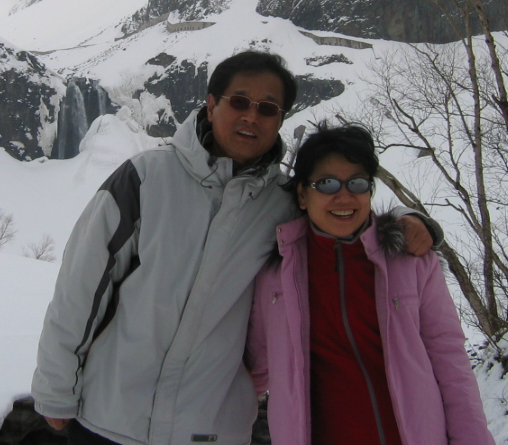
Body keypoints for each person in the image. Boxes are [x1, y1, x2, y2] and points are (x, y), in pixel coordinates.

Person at [32, 51, 439, 445]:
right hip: (108, 420)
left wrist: (409, 219)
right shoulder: (145, 177)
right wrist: (55, 388)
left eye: (268, 108)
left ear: (280, 120)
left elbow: (344, 218)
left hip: (210, 430)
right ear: (211, 105)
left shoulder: (284, 204)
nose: (251, 116)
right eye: (239, 102)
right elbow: (81, 287)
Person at [246, 123, 494, 445]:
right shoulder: (276, 276)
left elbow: (450, 363)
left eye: (358, 183)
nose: (344, 196)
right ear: (303, 195)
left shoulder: (411, 262)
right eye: (327, 183)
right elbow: (253, 371)